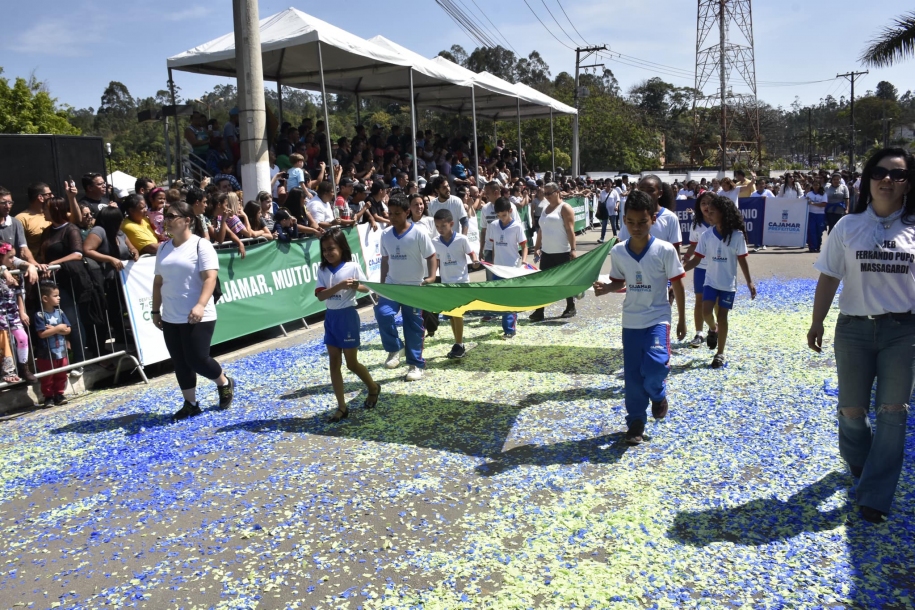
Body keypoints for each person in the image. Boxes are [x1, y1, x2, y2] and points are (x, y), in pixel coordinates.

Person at [806, 147, 915, 524]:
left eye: (898, 175)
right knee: (852, 412)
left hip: (903, 332)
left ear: (908, 184)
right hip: (853, 330)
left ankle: (875, 496)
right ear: (868, 180)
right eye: (880, 172)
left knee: (893, 412)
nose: (888, 180)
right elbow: (829, 276)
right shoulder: (848, 226)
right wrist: (817, 321)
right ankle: (862, 466)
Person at [592, 190, 687, 445]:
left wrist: (681, 319)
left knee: (656, 366)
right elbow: (618, 281)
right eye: (631, 222)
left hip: (658, 319)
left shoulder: (665, 250)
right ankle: (635, 422)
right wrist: (606, 288)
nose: (636, 227)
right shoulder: (618, 252)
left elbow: (678, 285)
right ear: (623, 220)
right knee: (633, 376)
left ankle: (658, 394)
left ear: (653, 219)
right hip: (631, 322)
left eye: (642, 222)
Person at [151, 201, 235, 420]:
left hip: (198, 314)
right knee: (180, 361)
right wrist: (155, 311)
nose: (167, 221)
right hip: (171, 315)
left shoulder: (201, 245)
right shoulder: (163, 248)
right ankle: (190, 403)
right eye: (166, 216)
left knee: (197, 359)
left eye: (172, 216)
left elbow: (210, 278)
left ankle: (223, 382)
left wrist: (200, 305)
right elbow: (158, 282)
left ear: (187, 220)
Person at [683, 194, 757, 369]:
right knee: (706, 312)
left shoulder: (737, 236)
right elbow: (696, 260)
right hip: (710, 282)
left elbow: (742, 260)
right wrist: (680, 270)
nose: (708, 215)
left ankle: (720, 353)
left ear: (723, 213)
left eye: (712, 212)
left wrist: (749, 282)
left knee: (723, 316)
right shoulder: (706, 236)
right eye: (707, 211)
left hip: (728, 285)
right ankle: (713, 328)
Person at [315, 228, 380, 422]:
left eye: (331, 248)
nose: (327, 253)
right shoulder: (322, 269)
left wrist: (355, 286)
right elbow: (320, 296)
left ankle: (373, 387)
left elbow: (367, 287)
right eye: (324, 250)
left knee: (351, 363)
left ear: (342, 247)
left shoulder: (352, 266)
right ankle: (342, 407)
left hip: (348, 317)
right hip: (331, 318)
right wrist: (340, 286)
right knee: (334, 362)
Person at [374, 193, 437, 381]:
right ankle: (395, 348)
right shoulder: (385, 235)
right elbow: (385, 261)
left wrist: (432, 277)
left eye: (397, 213)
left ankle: (415, 365)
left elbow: (431, 256)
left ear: (407, 212)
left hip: (413, 287)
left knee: (413, 327)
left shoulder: (419, 233)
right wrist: (382, 286)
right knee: (383, 313)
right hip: (392, 286)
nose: (393, 217)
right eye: (390, 213)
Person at [432, 208, 479, 359]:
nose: (440, 229)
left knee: (457, 313)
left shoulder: (461, 239)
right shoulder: (435, 242)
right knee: (452, 315)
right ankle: (458, 344)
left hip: (461, 282)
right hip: (446, 283)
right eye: (437, 226)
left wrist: (475, 260)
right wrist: (432, 277)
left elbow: (472, 253)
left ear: (451, 224)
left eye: (443, 226)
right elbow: (436, 262)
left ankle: (459, 344)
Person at [529, 182, 577, 322]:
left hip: (562, 252)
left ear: (557, 192)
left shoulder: (565, 208)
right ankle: (539, 310)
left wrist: (573, 249)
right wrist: (537, 247)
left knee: (565, 281)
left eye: (549, 193)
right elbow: (541, 230)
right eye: (545, 193)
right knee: (543, 282)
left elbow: (570, 230)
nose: (547, 196)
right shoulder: (545, 209)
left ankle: (570, 306)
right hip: (547, 252)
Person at [487, 197, 528, 339]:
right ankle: (509, 324)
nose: (502, 218)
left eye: (504, 215)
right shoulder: (493, 225)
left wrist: (524, 262)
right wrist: (493, 264)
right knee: (500, 298)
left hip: (512, 268)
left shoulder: (517, 226)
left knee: (508, 298)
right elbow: (494, 246)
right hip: (498, 268)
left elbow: (524, 246)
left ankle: (510, 329)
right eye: (499, 216)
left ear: (510, 211)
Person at [32, 281, 70, 405]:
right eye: (55, 296)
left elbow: (68, 329)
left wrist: (54, 329)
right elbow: (42, 334)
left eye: (59, 295)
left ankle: (59, 394)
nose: (59, 298)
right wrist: (58, 328)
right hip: (46, 353)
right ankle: (48, 397)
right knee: (47, 377)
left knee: (61, 374)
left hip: (61, 351)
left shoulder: (60, 312)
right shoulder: (39, 315)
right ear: (45, 298)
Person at [0, 243, 33, 383]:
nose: (13, 259)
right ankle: (8, 372)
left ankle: (24, 368)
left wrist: (22, 311)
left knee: (23, 337)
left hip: (12, 311)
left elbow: (19, 292)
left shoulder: (14, 270)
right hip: (1, 313)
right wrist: (2, 270)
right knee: (5, 342)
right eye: (10, 257)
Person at [806, 175, 828, 252]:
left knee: (819, 232)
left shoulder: (823, 194)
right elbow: (804, 202)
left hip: (820, 215)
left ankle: (818, 246)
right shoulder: (809, 194)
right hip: (811, 214)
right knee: (811, 231)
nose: (815, 186)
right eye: (814, 185)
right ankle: (812, 247)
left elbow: (824, 204)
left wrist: (813, 203)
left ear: (820, 185)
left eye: (817, 185)